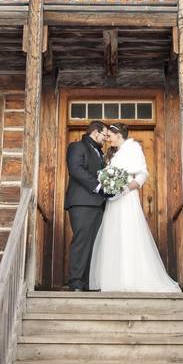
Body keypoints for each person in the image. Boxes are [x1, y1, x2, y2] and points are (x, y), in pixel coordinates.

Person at [89, 122, 180, 293]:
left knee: (129, 234)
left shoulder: (133, 148)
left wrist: (126, 188)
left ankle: (132, 279)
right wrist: (110, 187)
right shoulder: (114, 154)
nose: (108, 139)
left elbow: (143, 173)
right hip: (113, 201)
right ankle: (114, 280)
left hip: (127, 198)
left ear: (118, 134)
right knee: (113, 234)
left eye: (109, 136)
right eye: (106, 136)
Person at [64, 120, 110, 292]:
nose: (105, 139)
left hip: (98, 204)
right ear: (95, 132)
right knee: (82, 242)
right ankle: (76, 282)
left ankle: (87, 282)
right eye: (104, 135)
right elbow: (76, 169)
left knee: (94, 244)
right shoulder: (77, 147)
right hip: (82, 203)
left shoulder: (100, 153)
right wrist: (99, 187)